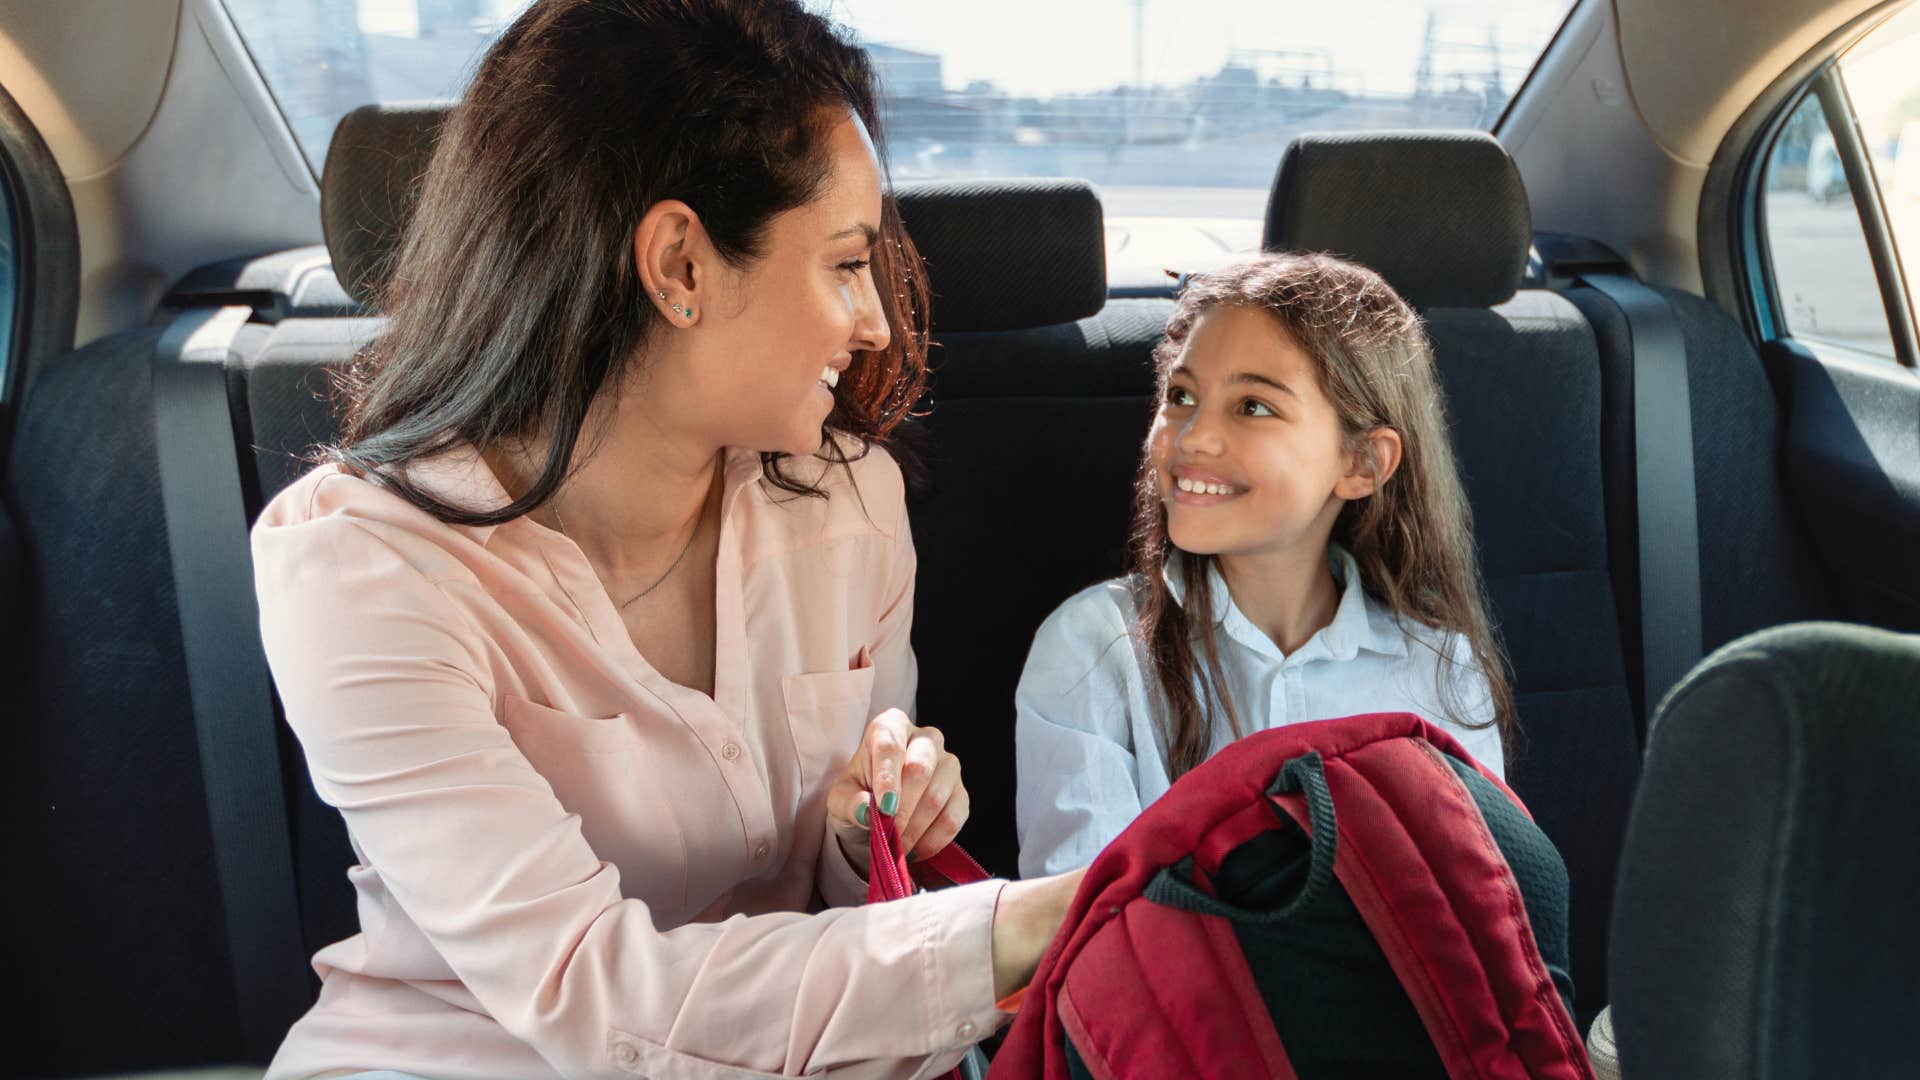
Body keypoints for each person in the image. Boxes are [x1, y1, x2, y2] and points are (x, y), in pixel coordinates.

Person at [252, 3, 1083, 1077]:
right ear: (680, 265)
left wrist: (855, 838)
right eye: (842, 263)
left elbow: (849, 908)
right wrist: (1023, 926)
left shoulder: (854, 503)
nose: (875, 321)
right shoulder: (363, 572)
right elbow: (590, 997)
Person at [1015, 252, 1514, 878]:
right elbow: (1081, 921)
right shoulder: (1096, 647)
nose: (1192, 436)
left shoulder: (1439, 667)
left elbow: (1479, 906)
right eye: (1181, 395)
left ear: (1361, 464)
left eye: (1253, 406)